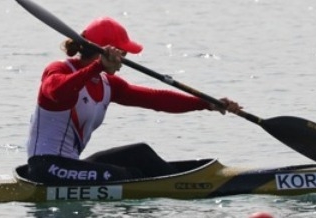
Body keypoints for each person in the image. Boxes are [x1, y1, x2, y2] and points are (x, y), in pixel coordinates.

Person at [26, 16, 242, 184]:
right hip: (46, 168)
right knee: (124, 176)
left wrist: (205, 103)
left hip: (71, 167)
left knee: (141, 154)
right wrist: (98, 66)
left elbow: (157, 100)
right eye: (124, 54)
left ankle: (181, 185)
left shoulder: (107, 84)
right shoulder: (59, 70)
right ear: (108, 51)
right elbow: (57, 92)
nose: (124, 61)